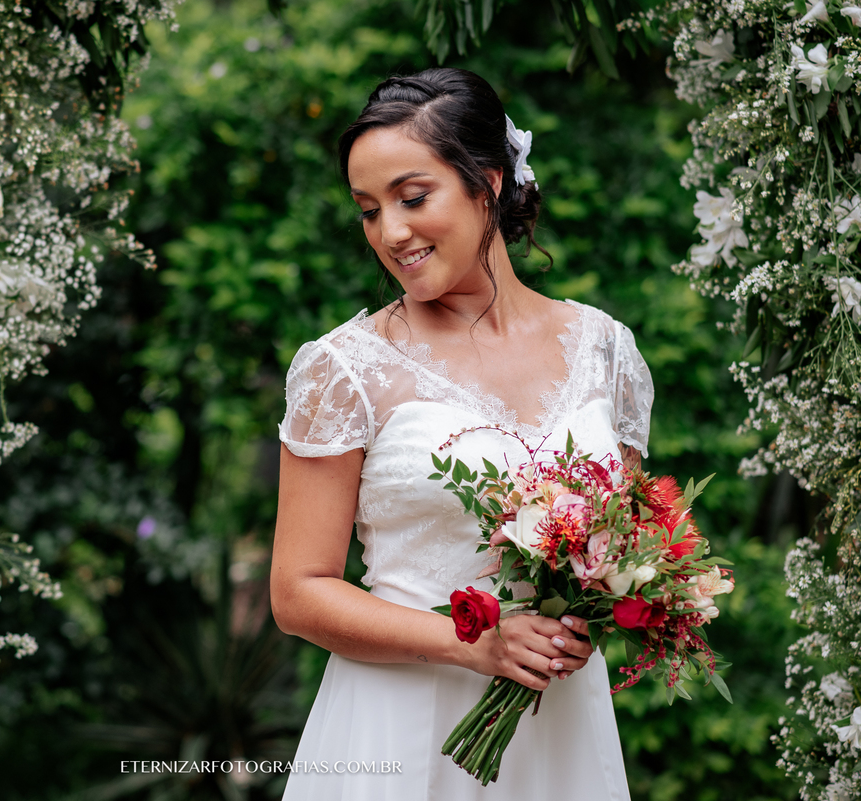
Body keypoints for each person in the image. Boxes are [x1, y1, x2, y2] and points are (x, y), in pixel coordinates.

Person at [270, 68, 652, 800]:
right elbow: (297, 591)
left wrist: (616, 601)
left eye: (413, 198)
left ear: (488, 182)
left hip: (558, 725)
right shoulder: (343, 368)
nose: (390, 231)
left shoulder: (606, 352)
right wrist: (472, 643)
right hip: (398, 731)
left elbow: (619, 555)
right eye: (369, 209)